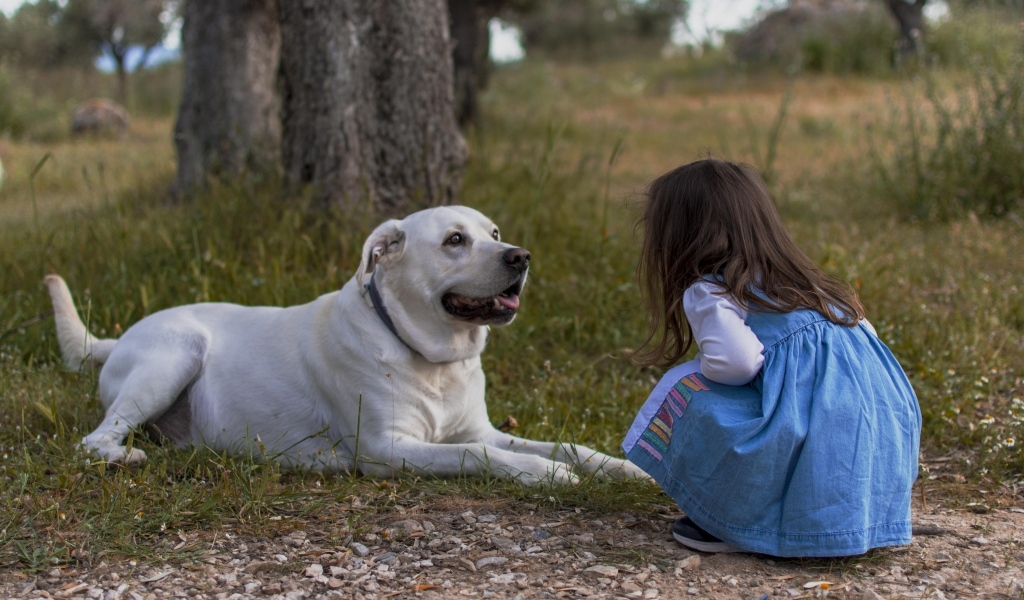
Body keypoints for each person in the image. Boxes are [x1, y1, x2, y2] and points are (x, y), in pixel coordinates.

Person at [622, 158, 921, 557]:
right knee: (809, 411)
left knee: (687, 388)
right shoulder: (812, 285)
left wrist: (704, 370)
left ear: (680, 237)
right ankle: (851, 518)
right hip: (881, 434)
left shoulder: (712, 290)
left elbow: (737, 363)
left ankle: (735, 521)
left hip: (816, 435)